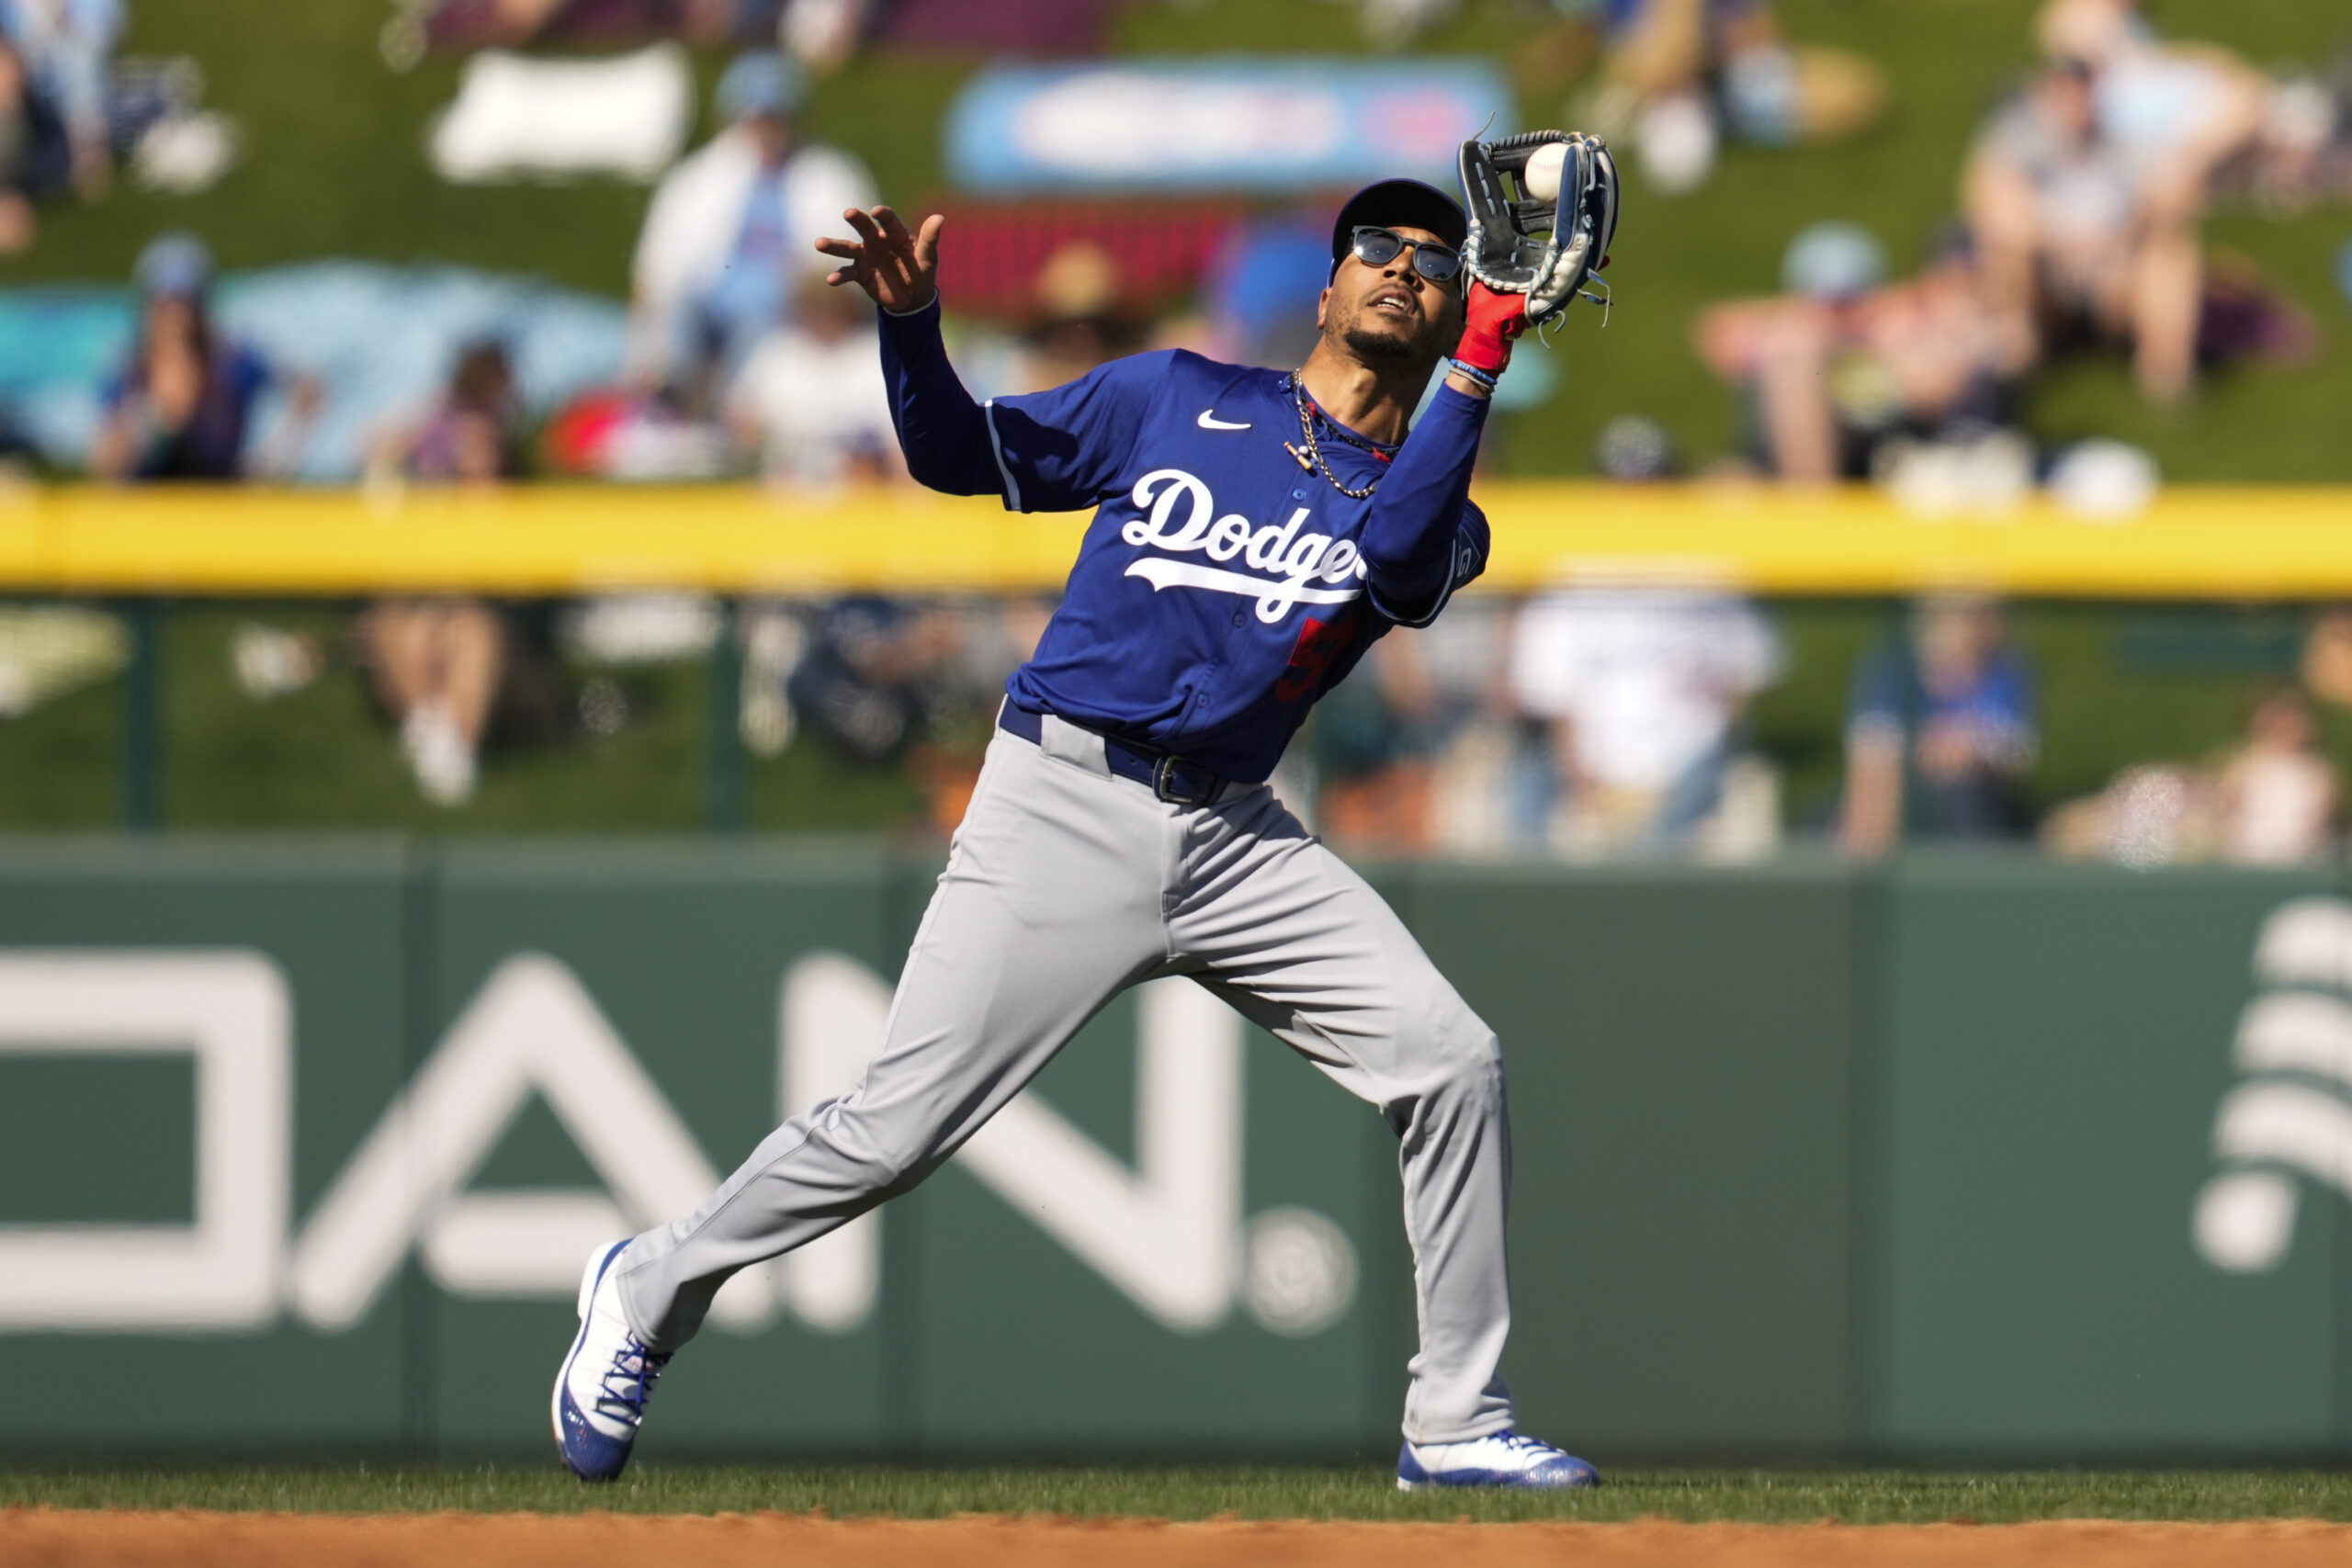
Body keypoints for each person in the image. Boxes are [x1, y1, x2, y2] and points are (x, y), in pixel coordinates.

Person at [551, 179, 1604, 1491]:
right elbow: (952, 455)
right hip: (1063, 795)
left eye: (1435, 261)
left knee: (1452, 1061)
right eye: (1375, 248)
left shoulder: (1447, 506)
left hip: (1234, 834)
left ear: (1458, 309)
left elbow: (1394, 558)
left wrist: (1487, 358)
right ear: (1325, 289)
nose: (1404, 265)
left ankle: (1452, 1417)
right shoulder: (1172, 394)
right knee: (895, 1127)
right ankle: (649, 1280)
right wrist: (912, 326)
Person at [625, 51, 874, 411]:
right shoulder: (697, 178)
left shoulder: (831, 177)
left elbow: (851, 273)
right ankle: (670, 411)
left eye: (777, 117)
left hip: (785, 313)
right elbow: (654, 271)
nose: (767, 128)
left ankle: (727, 417)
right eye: (758, 117)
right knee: (680, 327)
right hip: (704, 306)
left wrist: (805, 294)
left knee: (755, 332)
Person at [356, 340, 529, 807]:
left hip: (491, 636)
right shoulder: (430, 498)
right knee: (397, 626)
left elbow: (516, 592)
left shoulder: (512, 503)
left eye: (484, 439)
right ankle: (435, 739)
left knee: (471, 634)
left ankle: (449, 753)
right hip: (428, 617)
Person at [1508, 587, 1783, 850]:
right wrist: (1582, 784)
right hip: (1591, 776)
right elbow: (1553, 696)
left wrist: (1714, 742)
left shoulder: (1712, 572)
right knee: (1525, 796)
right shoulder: (1569, 580)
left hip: (1691, 769)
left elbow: (1746, 672)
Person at [90, 233, 320, 482]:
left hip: (218, 509)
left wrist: (269, 461)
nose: (175, 319)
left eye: (185, 305)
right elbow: (104, 466)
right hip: (148, 513)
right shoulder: (129, 372)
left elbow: (307, 393)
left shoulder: (232, 363)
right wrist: (152, 424)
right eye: (165, 305)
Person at [1840, 595, 2037, 855]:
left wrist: (1961, 749)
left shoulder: (2006, 670)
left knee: (1964, 799)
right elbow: (1871, 752)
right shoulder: (1894, 668)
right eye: (1963, 617)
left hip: (1976, 805)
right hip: (1892, 793)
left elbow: (2015, 754)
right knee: (1859, 803)